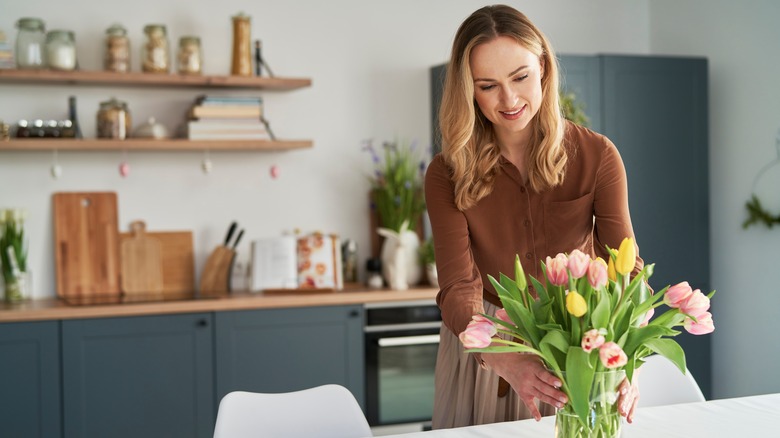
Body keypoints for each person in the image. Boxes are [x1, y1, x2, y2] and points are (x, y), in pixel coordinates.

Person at [425, 4, 644, 429]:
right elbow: (457, 286)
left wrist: (624, 357)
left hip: (577, 341)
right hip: (486, 347)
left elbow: (625, 270)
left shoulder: (598, 157)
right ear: (468, 89)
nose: (508, 100)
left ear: (543, 66)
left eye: (520, 77)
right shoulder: (446, 173)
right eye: (488, 86)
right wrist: (502, 357)